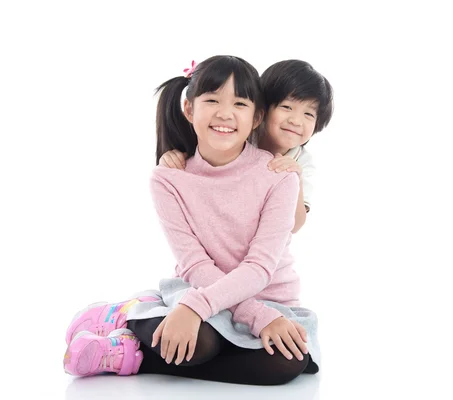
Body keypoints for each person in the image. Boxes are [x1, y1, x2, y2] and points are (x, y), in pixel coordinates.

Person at [62, 55, 320, 386]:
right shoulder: (168, 178)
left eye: (239, 103)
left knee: (288, 363)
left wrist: (243, 313)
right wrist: (195, 306)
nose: (225, 113)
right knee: (198, 344)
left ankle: (136, 343)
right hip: (199, 285)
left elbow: (259, 268)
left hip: (266, 298)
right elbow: (194, 263)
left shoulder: (280, 176)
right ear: (189, 110)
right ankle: (127, 324)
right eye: (212, 100)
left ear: (256, 117)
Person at [159, 59, 333, 233]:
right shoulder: (239, 135)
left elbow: (294, 226)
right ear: (261, 109)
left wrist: (296, 179)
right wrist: (175, 155)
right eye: (286, 107)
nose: (296, 120)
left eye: (309, 114)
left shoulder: (302, 162)